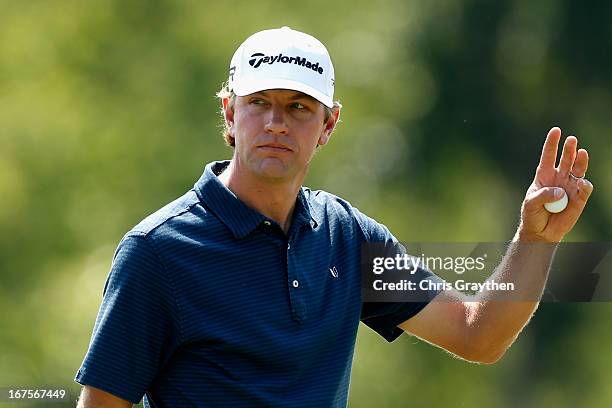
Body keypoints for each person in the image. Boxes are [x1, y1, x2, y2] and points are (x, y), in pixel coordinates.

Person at [74, 27, 594, 407]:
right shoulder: (159, 252)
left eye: (300, 107)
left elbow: (477, 336)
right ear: (231, 114)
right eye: (260, 104)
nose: (277, 122)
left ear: (328, 124)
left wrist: (536, 237)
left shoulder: (347, 238)